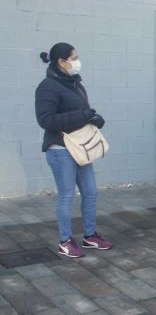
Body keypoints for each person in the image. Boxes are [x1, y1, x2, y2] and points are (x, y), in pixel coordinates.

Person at [35, 43, 113, 258]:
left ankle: (90, 236)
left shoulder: (74, 83)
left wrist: (94, 118)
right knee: (67, 195)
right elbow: (46, 120)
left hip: (81, 148)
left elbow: (81, 112)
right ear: (62, 61)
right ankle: (65, 241)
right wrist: (83, 115)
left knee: (90, 192)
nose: (77, 62)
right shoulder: (47, 87)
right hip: (60, 149)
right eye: (74, 57)